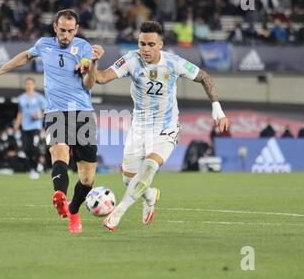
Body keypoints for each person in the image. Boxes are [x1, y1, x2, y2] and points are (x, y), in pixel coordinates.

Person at [90, 21, 230, 231]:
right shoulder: (130, 60)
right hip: (139, 128)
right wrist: (94, 63)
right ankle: (151, 196)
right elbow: (100, 78)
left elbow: (204, 77)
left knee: (148, 169)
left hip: (166, 128)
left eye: (151, 44)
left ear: (160, 44)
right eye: (141, 43)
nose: (145, 49)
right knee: (129, 181)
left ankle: (117, 213)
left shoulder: (174, 63)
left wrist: (217, 107)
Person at [0, 9, 100, 233]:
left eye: (70, 31)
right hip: (55, 112)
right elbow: (25, 56)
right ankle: (60, 196)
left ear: (76, 30)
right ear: (55, 27)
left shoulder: (84, 48)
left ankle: (74, 211)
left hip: (83, 114)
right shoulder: (44, 44)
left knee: (87, 179)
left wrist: (91, 65)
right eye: (62, 30)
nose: (66, 35)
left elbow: (89, 83)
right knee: (59, 154)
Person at [14, 77, 46, 179]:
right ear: (25, 85)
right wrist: (17, 124)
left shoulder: (39, 98)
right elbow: (20, 112)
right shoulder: (21, 98)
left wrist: (39, 116)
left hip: (35, 127)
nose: (29, 86)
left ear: (33, 85)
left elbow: (46, 111)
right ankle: (31, 168)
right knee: (26, 149)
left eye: (30, 84)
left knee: (35, 147)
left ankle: (37, 168)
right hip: (25, 127)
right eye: (27, 84)